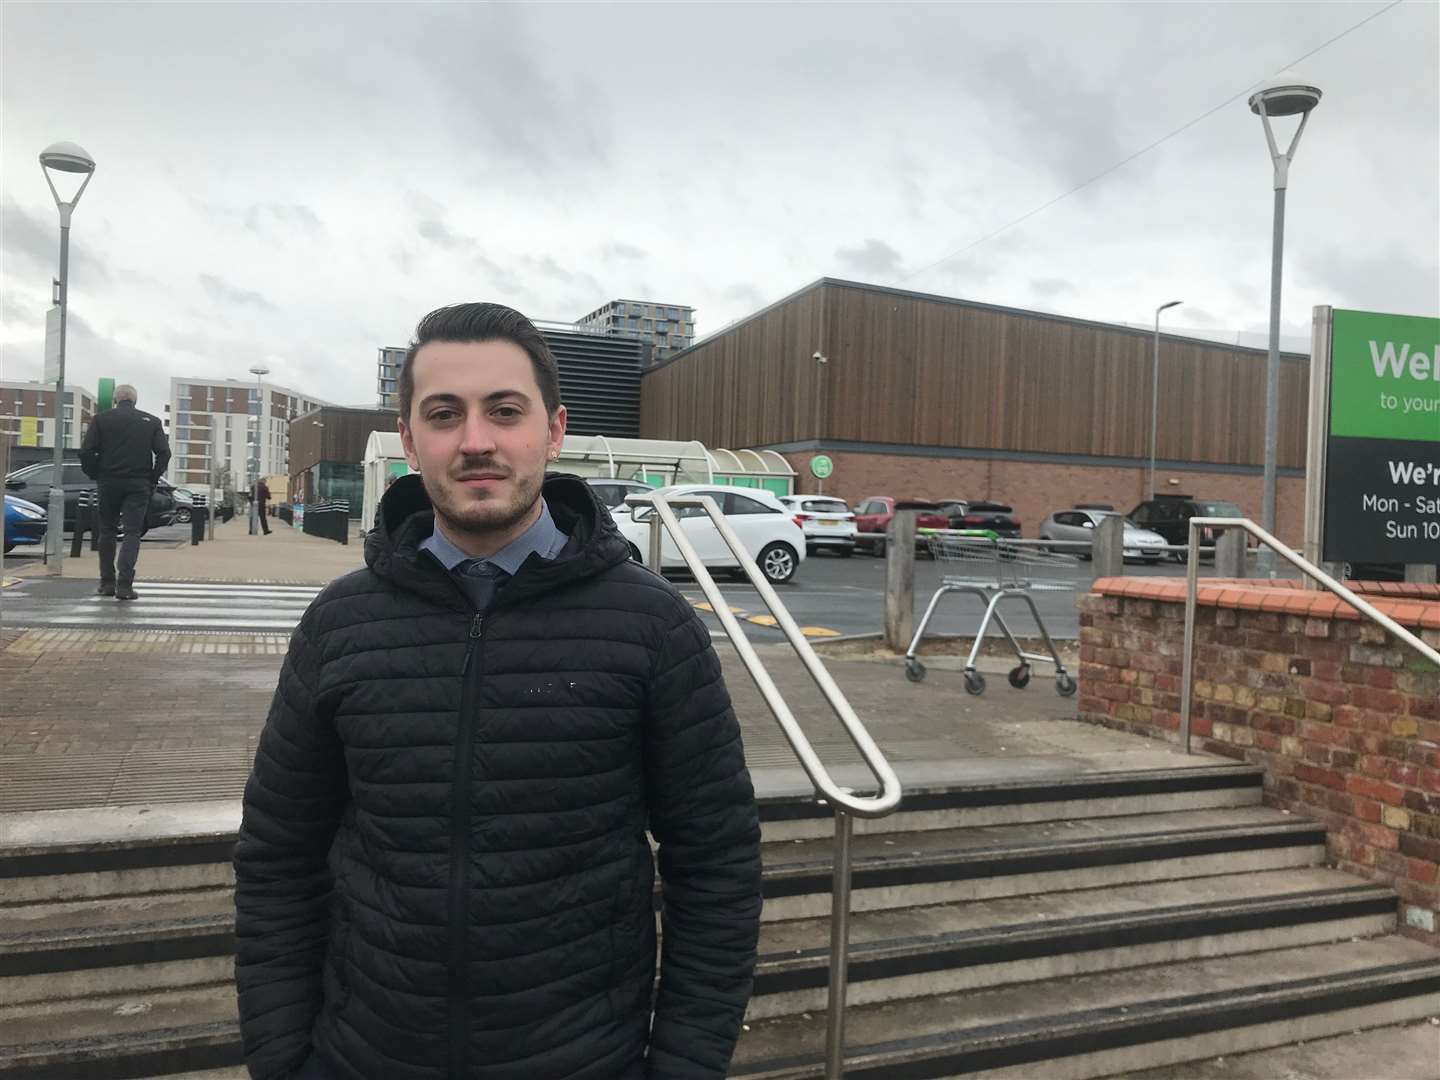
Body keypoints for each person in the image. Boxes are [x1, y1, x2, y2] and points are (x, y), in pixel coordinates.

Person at [234, 302, 762, 1080]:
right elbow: (279, 855)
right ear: (411, 441)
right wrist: (283, 1061)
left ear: (553, 430)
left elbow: (716, 863)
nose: (475, 441)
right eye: (444, 415)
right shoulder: (340, 623)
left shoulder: (652, 624)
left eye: (504, 412)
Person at [78, 384, 170, 601]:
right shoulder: (151, 422)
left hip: (108, 482)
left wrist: (95, 473)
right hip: (138, 484)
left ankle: (107, 582)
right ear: (135, 400)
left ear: (116, 399)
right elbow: (164, 453)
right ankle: (125, 586)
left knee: (107, 531)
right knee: (132, 532)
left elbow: (86, 452)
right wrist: (153, 478)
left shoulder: (101, 420)